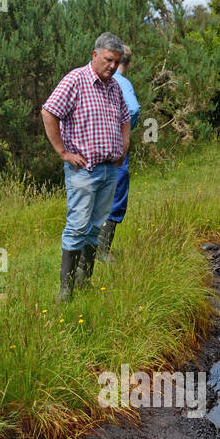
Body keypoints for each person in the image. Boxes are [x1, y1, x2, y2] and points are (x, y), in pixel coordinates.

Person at [41, 32, 131, 299]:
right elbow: (49, 112)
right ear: (95, 55)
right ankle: (65, 290)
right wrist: (62, 152)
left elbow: (126, 118)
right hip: (83, 169)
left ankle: (84, 280)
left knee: (96, 226)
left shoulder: (114, 87)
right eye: (108, 60)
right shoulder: (76, 80)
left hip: (108, 169)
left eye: (116, 61)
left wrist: (123, 148)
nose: (113, 66)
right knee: (78, 226)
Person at [97, 45, 140, 262]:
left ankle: (90, 251)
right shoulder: (123, 83)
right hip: (115, 151)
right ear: (129, 64)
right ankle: (102, 252)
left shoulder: (99, 79)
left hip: (95, 153)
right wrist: (121, 132)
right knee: (115, 198)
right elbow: (132, 109)